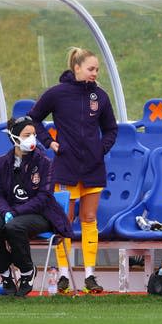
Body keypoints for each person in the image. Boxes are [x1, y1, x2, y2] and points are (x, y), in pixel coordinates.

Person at [28, 47, 118, 294]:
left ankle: (90, 276)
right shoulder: (57, 93)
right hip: (65, 167)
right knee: (64, 221)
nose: (94, 73)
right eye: (91, 68)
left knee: (89, 219)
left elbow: (111, 129)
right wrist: (50, 142)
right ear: (76, 68)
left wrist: (101, 149)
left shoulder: (100, 96)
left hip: (93, 167)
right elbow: (33, 118)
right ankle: (64, 276)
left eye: (97, 69)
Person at [0, 116, 73, 296]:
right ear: (14, 138)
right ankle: (6, 275)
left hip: (40, 214)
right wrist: (6, 211)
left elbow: (44, 197)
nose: (32, 138)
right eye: (26, 134)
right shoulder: (2, 163)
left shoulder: (44, 162)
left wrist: (14, 212)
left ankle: (26, 271)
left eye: (34, 134)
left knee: (14, 226)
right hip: (11, 212)